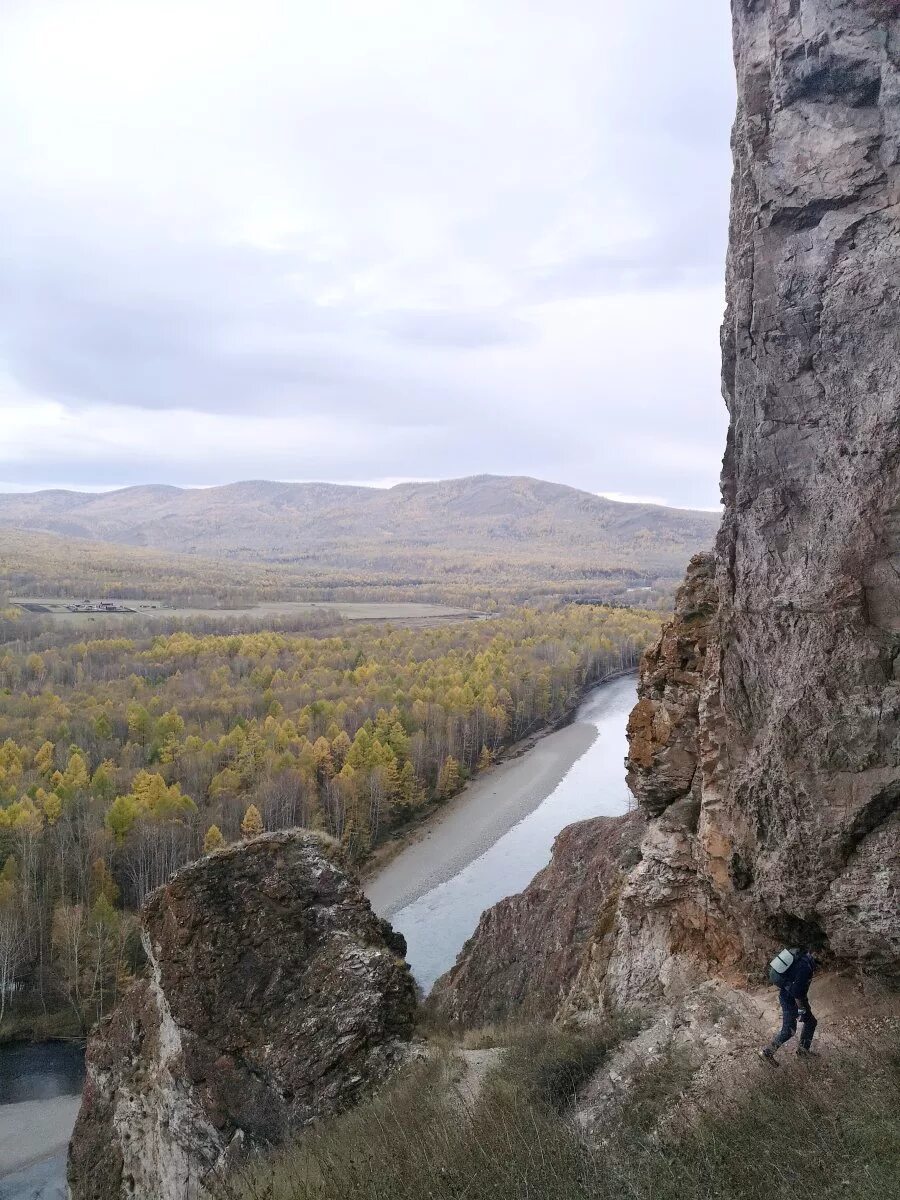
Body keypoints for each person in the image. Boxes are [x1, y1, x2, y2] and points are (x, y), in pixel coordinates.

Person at [760, 947, 818, 1065]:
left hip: (787, 995)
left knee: (810, 1022)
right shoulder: (805, 967)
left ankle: (803, 1052)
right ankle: (767, 1053)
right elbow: (797, 992)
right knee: (789, 1030)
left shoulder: (803, 958)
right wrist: (802, 1009)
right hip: (790, 999)